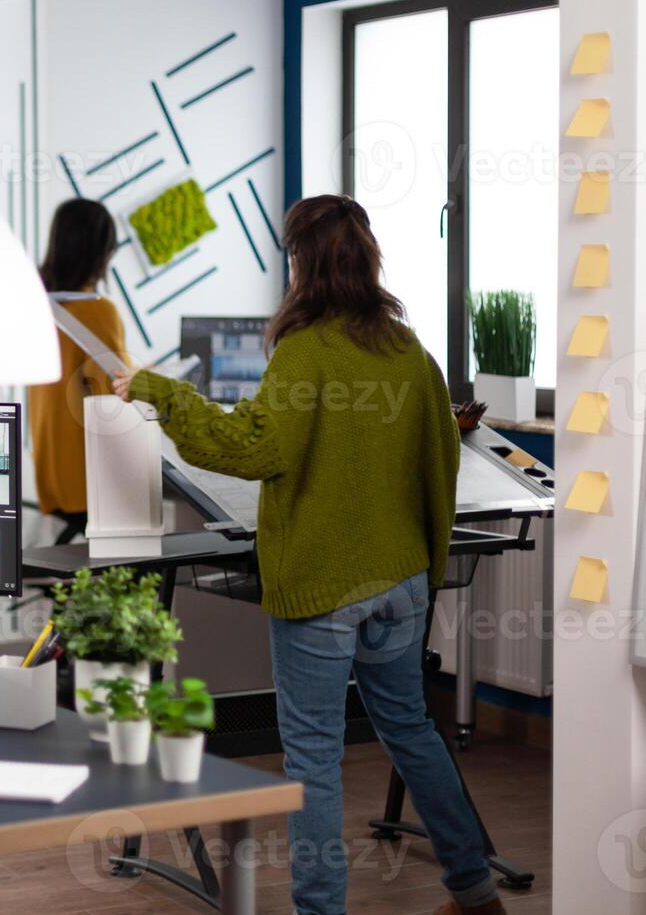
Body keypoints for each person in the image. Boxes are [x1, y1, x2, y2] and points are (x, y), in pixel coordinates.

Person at [112, 195, 501, 915]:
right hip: (403, 582)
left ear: (300, 262)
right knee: (412, 730)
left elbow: (253, 447)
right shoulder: (407, 350)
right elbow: (439, 460)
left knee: (313, 760)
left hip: (324, 589)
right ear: (366, 255)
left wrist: (157, 391)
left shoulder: (305, 351)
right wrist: (424, 568)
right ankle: (476, 892)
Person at [27, 198, 134, 543]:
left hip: (51, 473)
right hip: (89, 481)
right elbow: (119, 394)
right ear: (103, 253)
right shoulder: (100, 312)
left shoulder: (36, 306)